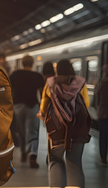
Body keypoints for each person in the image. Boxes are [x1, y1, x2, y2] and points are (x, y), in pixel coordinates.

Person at [38, 59, 90, 188]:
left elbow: (44, 106)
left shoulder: (50, 83)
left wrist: (43, 115)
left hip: (57, 129)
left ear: (57, 71)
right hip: (77, 129)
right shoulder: (81, 82)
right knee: (75, 162)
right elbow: (86, 104)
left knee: (55, 159)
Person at [9, 54, 44, 168]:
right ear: (32, 63)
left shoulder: (15, 75)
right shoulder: (37, 76)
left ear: (22, 63)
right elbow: (42, 93)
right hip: (32, 105)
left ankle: (24, 152)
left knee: (21, 130)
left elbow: (9, 90)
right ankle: (32, 155)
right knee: (33, 131)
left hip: (18, 106)